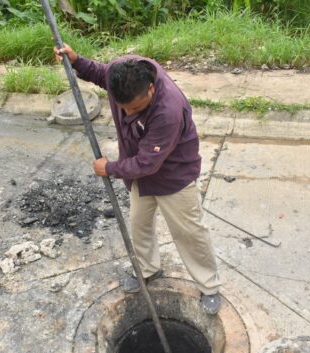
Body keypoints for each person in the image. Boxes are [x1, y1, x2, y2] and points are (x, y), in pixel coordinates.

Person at [54, 45, 221, 315]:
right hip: (140, 176)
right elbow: (99, 72)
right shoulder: (123, 72)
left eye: (135, 108)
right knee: (139, 225)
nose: (128, 114)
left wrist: (109, 167)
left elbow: (147, 163)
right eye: (123, 108)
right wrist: (76, 61)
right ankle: (148, 270)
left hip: (173, 178)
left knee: (190, 233)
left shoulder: (168, 110)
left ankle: (210, 286)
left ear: (151, 90)